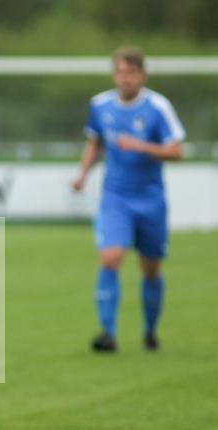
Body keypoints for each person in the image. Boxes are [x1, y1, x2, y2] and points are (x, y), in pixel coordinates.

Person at [72, 46, 185, 352]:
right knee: (110, 257)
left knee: (150, 269)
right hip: (115, 196)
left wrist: (142, 146)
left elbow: (177, 151)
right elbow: (95, 143)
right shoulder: (100, 105)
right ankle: (107, 333)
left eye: (132, 72)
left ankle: (150, 331)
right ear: (114, 74)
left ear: (142, 75)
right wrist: (83, 174)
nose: (126, 78)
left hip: (150, 199)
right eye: (121, 72)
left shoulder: (157, 107)